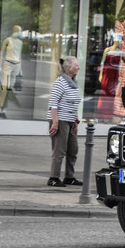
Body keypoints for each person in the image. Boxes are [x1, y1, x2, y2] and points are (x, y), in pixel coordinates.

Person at [47, 56, 82, 187]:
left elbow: (74, 103)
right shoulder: (60, 82)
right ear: (69, 68)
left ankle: (69, 176)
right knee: (59, 150)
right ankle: (53, 177)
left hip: (70, 120)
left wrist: (75, 120)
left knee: (73, 149)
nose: (78, 67)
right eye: (76, 65)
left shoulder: (73, 83)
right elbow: (53, 104)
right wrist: (55, 122)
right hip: (60, 120)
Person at [0, 25, 23, 118]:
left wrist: (20, 69)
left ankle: (3, 110)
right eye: (17, 31)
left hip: (16, 64)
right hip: (8, 64)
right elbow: (1, 53)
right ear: (14, 31)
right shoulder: (7, 40)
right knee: (5, 87)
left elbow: (20, 56)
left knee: (9, 89)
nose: (18, 32)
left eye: (19, 31)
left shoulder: (20, 42)